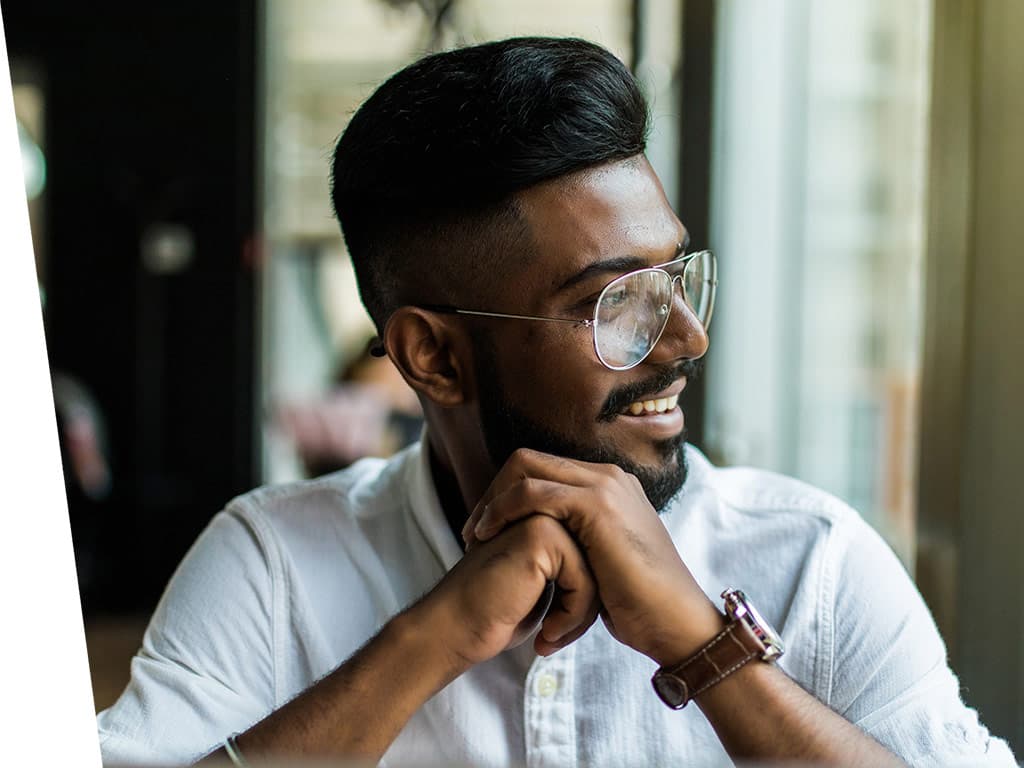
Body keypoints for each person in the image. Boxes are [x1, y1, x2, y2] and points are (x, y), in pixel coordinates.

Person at [97, 37, 1016, 767]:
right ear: (434, 356)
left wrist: (707, 648)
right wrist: (435, 635)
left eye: (676, 278)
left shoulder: (811, 559)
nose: (687, 338)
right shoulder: (277, 564)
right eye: (616, 303)